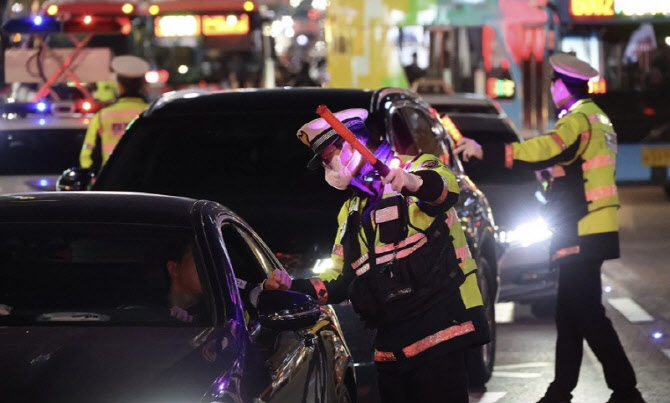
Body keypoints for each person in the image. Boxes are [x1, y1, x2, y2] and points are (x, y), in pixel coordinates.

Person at [453, 53, 646, 403]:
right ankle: (561, 391)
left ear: (563, 86)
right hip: (589, 225)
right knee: (570, 314)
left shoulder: (578, 120)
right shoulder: (598, 118)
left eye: (553, 83)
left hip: (582, 228)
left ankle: (625, 390)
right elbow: (570, 169)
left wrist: (485, 151)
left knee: (586, 313)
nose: (552, 89)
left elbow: (544, 149)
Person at [264, 108, 490, 403]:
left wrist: (412, 183)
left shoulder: (417, 166)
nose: (326, 166)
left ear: (351, 144)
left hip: (439, 332)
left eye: (328, 155)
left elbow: (444, 190)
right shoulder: (350, 210)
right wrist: (291, 287)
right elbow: (339, 279)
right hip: (391, 347)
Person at [79, 55, 150, 172]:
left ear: (119, 85)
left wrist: (92, 177)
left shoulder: (102, 116)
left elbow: (88, 155)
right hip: (144, 179)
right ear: (143, 84)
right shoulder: (153, 114)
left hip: (111, 179)